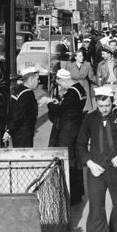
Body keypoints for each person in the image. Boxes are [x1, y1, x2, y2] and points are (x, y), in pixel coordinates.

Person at [77, 86, 117, 232]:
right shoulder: (89, 119)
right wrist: (89, 163)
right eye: (100, 106)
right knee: (96, 209)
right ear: (96, 103)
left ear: (113, 101)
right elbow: (80, 145)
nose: (103, 109)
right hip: (96, 170)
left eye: (107, 106)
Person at [45, 69, 86, 205]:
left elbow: (59, 111)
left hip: (67, 132)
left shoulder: (72, 94)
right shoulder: (80, 89)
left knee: (67, 162)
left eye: (61, 85)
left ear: (64, 80)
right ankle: (77, 192)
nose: (61, 88)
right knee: (75, 161)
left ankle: (70, 194)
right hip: (76, 129)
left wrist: (50, 102)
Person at [2, 67, 40, 148]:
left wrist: (9, 129)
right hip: (24, 132)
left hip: (17, 132)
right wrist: (10, 131)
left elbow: (13, 112)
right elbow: (20, 114)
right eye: (37, 79)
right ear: (31, 80)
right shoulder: (27, 94)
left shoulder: (18, 90)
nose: (39, 81)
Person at [68, 47, 97, 114]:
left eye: (82, 56)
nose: (82, 57)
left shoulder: (87, 65)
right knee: (75, 108)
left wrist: (101, 82)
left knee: (84, 109)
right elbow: (67, 77)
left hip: (85, 87)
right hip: (74, 87)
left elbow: (92, 77)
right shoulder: (70, 66)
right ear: (75, 57)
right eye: (80, 56)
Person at [96, 44, 117, 111]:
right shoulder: (101, 64)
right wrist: (100, 88)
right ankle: (108, 121)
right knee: (107, 107)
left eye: (103, 54)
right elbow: (98, 77)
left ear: (109, 54)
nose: (102, 56)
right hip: (106, 86)